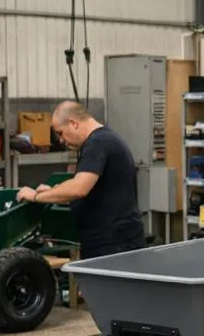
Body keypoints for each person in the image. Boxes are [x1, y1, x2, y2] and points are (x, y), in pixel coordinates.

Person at [15, 101, 145, 259]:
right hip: (117, 242)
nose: (61, 140)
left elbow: (79, 188)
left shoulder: (97, 143)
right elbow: (96, 190)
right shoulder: (106, 138)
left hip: (112, 246)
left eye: (60, 133)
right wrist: (53, 193)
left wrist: (36, 197)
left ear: (73, 123)